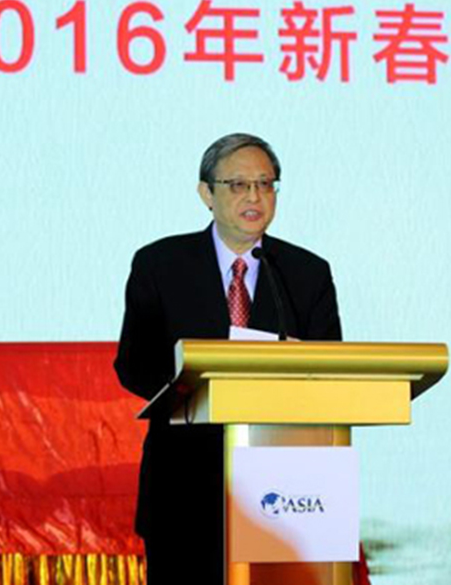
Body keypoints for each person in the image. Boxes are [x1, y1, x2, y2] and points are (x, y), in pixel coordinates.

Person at [114, 133, 341, 584]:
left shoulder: (306, 273)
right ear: (207, 193)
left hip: (289, 487)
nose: (254, 196)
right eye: (238, 185)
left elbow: (333, 373)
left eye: (265, 184)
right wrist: (195, 384)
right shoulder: (160, 264)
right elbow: (134, 364)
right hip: (185, 482)